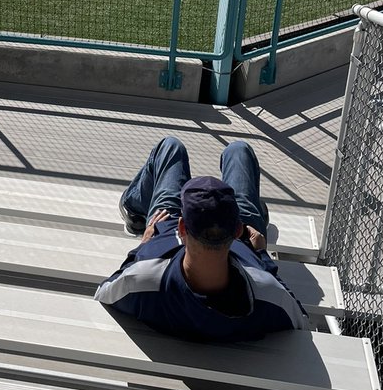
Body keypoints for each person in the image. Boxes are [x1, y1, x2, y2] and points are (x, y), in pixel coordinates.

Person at [94, 136, 308, 342]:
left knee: (171, 147)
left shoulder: (141, 278)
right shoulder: (267, 291)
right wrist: (261, 254)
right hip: (246, 244)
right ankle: (246, 209)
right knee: (239, 150)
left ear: (182, 227)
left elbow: (103, 293)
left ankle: (133, 209)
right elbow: (301, 319)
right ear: (236, 230)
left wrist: (143, 247)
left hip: (164, 224)